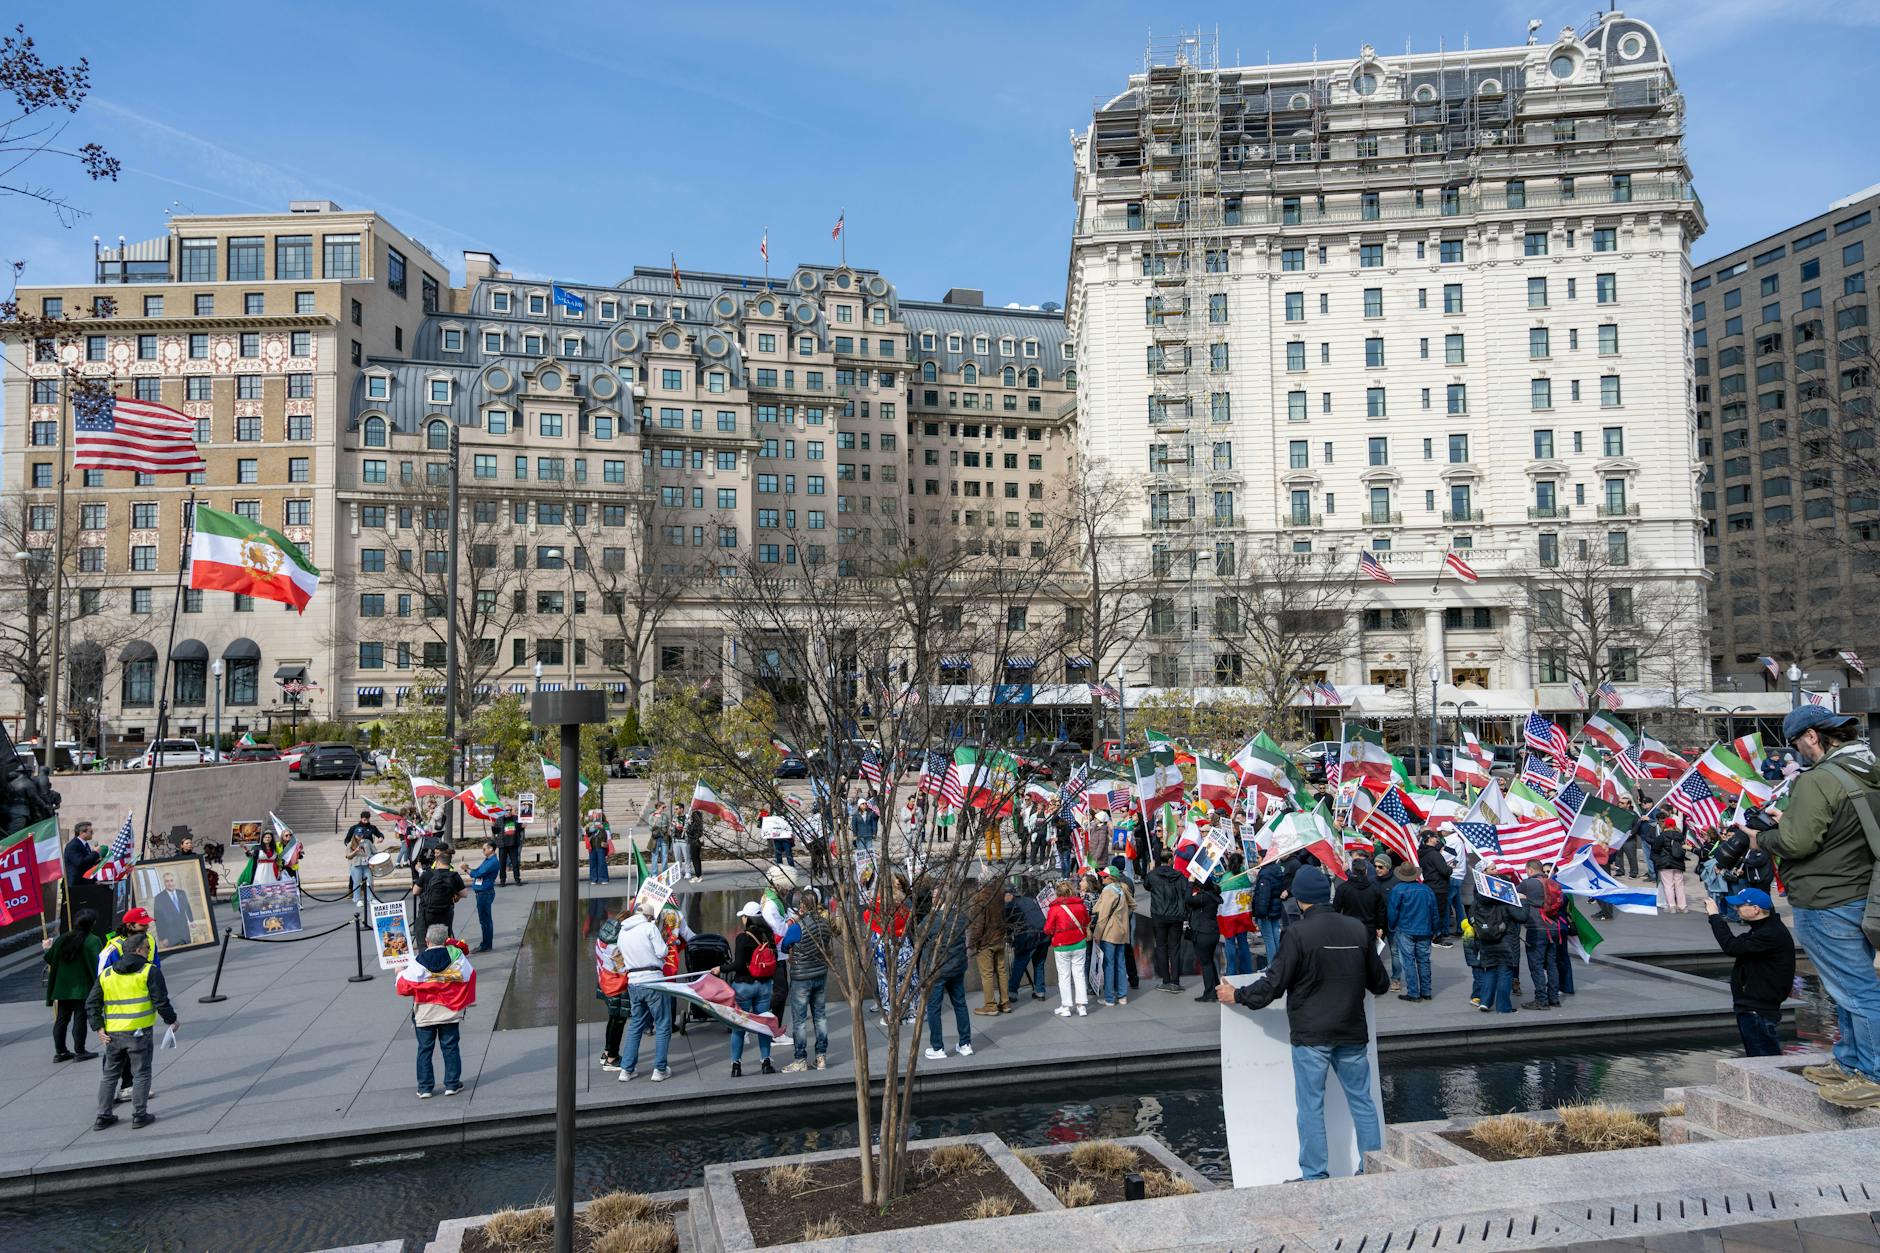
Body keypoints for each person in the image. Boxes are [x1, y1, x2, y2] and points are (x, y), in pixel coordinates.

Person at [1216, 864, 1388, 1181]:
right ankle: (1373, 1170)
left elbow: (1273, 984)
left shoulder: (1297, 932)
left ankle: (1315, 1176)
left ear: (1300, 900)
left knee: (1311, 1108)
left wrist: (1237, 995)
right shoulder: (1357, 929)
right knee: (1362, 1103)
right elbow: (1380, 984)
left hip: (1312, 1036)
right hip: (1351, 1031)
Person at [1752, 705, 1880, 1109]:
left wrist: (1764, 838)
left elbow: (1797, 843)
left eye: (1796, 743)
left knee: (1857, 990)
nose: (1798, 752)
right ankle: (1850, 1062)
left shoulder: (1819, 779)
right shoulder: (1866, 769)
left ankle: (1874, 1075)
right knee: (1846, 987)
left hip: (1826, 897)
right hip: (1856, 890)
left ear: (1812, 736)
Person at [87, 935, 176, 1130]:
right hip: (139, 1032)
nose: (149, 951)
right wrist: (172, 1020)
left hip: (112, 1034)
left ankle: (103, 1116)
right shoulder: (149, 971)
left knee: (110, 1075)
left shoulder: (107, 974)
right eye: (146, 948)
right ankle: (139, 1115)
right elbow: (161, 1001)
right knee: (141, 1073)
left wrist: (99, 1028)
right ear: (137, 950)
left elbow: (91, 1003)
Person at [1705, 887, 1796, 1058]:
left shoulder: (1769, 933)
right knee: (1760, 1058)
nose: (1736, 909)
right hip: (1753, 1006)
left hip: (1757, 1009)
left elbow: (1731, 946)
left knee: (1764, 1062)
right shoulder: (1764, 927)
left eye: (1740, 906)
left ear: (1755, 909)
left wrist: (1714, 917)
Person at [395, 924, 476, 1099]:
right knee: (451, 1048)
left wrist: (399, 973)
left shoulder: (417, 961)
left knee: (425, 1049)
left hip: (425, 1012)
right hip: (450, 1011)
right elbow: (469, 975)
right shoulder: (457, 957)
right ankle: (452, 1085)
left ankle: (425, 1088)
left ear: (427, 941)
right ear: (445, 940)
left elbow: (404, 988)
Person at [618, 900, 674, 1082]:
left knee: (636, 1025)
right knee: (663, 1023)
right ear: (649, 916)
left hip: (633, 982)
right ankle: (660, 1069)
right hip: (653, 981)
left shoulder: (623, 931)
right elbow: (662, 952)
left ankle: (626, 1070)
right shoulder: (649, 928)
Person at [784, 888, 835, 1072]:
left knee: (799, 1021)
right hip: (820, 974)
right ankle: (821, 1057)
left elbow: (784, 946)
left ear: (803, 906)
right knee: (820, 1017)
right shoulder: (824, 924)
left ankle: (800, 1059)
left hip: (801, 977)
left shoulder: (797, 927)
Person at [723, 903, 777, 1076]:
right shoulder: (768, 935)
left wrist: (721, 969)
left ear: (748, 918)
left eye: (743, 917)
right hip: (764, 985)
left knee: (739, 1026)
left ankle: (736, 1066)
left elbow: (738, 964)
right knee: (763, 1025)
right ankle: (766, 1063)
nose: (742, 919)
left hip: (744, 986)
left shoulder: (742, 938)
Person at [44, 909, 102, 1062]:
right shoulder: (93, 940)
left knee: (62, 1019)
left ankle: (60, 1052)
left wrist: (46, 947)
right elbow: (98, 965)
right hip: (82, 988)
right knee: (79, 1019)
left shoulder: (62, 939)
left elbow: (49, 958)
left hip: (63, 987)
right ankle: (80, 1051)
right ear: (92, 924)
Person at [922, 894, 973, 1060]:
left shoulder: (933, 919)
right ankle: (965, 1044)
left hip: (938, 969)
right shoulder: (960, 917)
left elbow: (918, 935)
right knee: (960, 1004)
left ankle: (938, 1047)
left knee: (934, 1008)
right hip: (957, 967)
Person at [1469, 874, 1523, 1014]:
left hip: (1486, 941)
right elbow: (1521, 917)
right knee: (1505, 973)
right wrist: (1523, 901)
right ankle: (1503, 1007)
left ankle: (1485, 1001)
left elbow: (1471, 918)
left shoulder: (1478, 900)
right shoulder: (1506, 901)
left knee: (1490, 971)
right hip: (1505, 942)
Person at [1387, 862, 1437, 1001]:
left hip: (1405, 929)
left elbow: (1393, 912)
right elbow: (1434, 912)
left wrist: (1392, 926)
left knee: (1408, 961)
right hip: (1424, 929)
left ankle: (1414, 992)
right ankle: (1426, 991)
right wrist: (1435, 929)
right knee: (1424, 961)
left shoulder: (1398, 890)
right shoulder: (1426, 890)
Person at [1043, 878, 1091, 1016]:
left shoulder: (1055, 909)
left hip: (1061, 945)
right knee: (1079, 974)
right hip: (1079, 943)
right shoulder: (1080, 905)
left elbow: (1047, 929)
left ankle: (1066, 1006)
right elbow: (1086, 921)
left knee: (1064, 976)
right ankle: (1081, 1006)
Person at [594, 901, 632, 1073]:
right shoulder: (615, 946)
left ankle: (607, 1052)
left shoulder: (603, 936)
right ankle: (612, 1058)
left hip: (604, 981)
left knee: (612, 1019)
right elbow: (622, 967)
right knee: (618, 1021)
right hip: (616, 986)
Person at [967, 876, 1010, 1016]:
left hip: (986, 941)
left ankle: (990, 1005)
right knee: (1002, 971)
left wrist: (973, 942)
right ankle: (1005, 1003)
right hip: (999, 938)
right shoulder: (999, 894)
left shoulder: (981, 898)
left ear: (980, 883)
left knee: (987, 974)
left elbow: (978, 924)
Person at [1146, 851, 1188, 994]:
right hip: (1175, 915)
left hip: (1159, 915)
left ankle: (1166, 980)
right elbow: (1185, 892)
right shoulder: (1179, 876)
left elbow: (1147, 886)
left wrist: (1151, 870)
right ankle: (1175, 982)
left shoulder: (1152, 875)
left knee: (1162, 947)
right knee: (1174, 948)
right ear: (1170, 860)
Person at [1518, 860, 1558, 1010]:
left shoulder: (1528, 884)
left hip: (1537, 928)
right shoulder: (1553, 883)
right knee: (1552, 964)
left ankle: (1541, 1000)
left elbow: (1510, 895)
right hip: (1554, 928)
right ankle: (1554, 997)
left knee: (1536, 965)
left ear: (1529, 870)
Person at [1094, 865, 1135, 1007]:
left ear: (1111, 877)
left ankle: (1110, 998)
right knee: (1121, 964)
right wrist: (1123, 916)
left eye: (1104, 876)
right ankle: (1122, 996)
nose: (1101, 878)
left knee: (1109, 965)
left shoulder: (1107, 891)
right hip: (1122, 932)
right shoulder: (1122, 888)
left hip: (1109, 933)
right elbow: (1133, 905)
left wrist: (1097, 934)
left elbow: (1103, 915)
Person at [1005, 881, 1049, 1002]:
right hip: (1044, 934)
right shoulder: (1029, 900)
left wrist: (1009, 937)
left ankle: (1012, 992)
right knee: (1039, 963)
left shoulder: (1011, 905)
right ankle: (1040, 991)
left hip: (1029, 936)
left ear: (1009, 894)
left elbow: (1008, 925)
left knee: (1019, 963)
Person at [1186, 872, 1222, 1004]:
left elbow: (1187, 900)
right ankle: (1216, 988)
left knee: (1206, 963)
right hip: (1212, 932)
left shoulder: (1203, 898)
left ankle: (1210, 993)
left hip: (1202, 933)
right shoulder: (1212, 895)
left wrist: (1190, 883)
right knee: (1210, 962)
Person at [1218, 852, 1256, 976]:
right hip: (1242, 914)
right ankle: (1247, 970)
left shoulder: (1225, 878)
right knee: (1243, 943)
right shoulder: (1246, 876)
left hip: (1228, 917)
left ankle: (1231, 972)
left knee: (1229, 943)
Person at [416, 847, 465, 940]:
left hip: (430, 910)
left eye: (437, 853)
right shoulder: (453, 873)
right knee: (445, 936)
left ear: (439, 862)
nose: (435, 855)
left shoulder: (431, 872)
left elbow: (416, 891)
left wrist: (420, 871)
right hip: (446, 909)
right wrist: (456, 898)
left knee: (429, 935)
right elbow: (464, 893)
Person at [1417, 832, 1454, 945]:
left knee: (1431, 913)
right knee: (1439, 913)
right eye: (1435, 837)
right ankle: (1436, 937)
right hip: (1438, 886)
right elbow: (1444, 871)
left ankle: (1432, 936)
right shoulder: (1434, 854)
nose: (1436, 839)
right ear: (1429, 839)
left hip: (1429, 885)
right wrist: (1450, 868)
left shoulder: (1423, 853)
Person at [464, 839, 500, 952]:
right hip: (482, 892)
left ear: (491, 849)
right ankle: (486, 943)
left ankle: (486, 944)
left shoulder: (492, 862)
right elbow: (478, 871)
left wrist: (466, 869)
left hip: (484, 893)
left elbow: (478, 873)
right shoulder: (488, 860)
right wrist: (468, 869)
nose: (483, 851)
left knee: (485, 921)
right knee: (485, 920)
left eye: (484, 849)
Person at [1253, 855, 1287, 971]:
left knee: (1269, 938)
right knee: (1275, 936)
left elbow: (1264, 895)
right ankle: (1279, 964)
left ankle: (1272, 965)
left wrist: (1261, 913)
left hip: (1267, 910)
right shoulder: (1277, 869)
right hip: (1275, 908)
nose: (1257, 859)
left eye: (1258, 857)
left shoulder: (1265, 874)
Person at [1650, 817, 1690, 913]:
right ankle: (1682, 906)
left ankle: (1671, 906)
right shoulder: (1680, 837)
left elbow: (1655, 851)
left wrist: (1658, 861)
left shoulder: (1661, 837)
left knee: (1668, 885)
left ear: (1665, 825)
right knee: (1679, 885)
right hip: (1678, 863)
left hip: (1665, 863)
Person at [345, 811, 381, 910]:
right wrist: (355, 851)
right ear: (355, 835)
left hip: (366, 865)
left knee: (370, 881)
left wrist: (377, 857)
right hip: (356, 865)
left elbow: (374, 852)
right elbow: (348, 856)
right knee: (356, 882)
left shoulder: (367, 842)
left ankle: (371, 898)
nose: (360, 836)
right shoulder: (351, 844)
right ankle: (357, 899)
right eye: (358, 835)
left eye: (361, 835)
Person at [149, 871, 194, 949]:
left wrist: (191, 920)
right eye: (167, 881)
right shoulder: (159, 898)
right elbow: (158, 920)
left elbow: (187, 907)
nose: (170, 883)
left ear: (174, 881)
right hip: (171, 934)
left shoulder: (182, 893)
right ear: (164, 883)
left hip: (185, 932)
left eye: (171, 880)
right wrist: (163, 938)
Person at [493, 807, 524, 885]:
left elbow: (519, 829)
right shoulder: (499, 819)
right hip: (503, 845)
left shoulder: (516, 818)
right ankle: (502, 880)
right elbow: (495, 832)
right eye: (507, 810)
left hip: (513, 844)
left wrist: (522, 827)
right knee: (502, 863)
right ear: (504, 811)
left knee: (515, 863)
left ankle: (517, 879)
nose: (509, 811)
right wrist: (493, 826)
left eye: (510, 810)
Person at [583, 810, 613, 884]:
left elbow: (608, 835)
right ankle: (593, 878)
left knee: (601, 862)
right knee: (593, 862)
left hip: (601, 845)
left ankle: (603, 878)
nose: (595, 816)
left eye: (597, 815)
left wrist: (602, 828)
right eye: (594, 815)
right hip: (592, 845)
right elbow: (588, 834)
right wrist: (588, 828)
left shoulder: (605, 824)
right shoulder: (590, 824)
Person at [647, 801, 672, 877]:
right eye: (663, 807)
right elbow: (650, 828)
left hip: (664, 837)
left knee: (665, 855)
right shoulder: (652, 815)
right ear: (658, 807)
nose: (664, 809)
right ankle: (654, 873)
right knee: (655, 855)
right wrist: (655, 819)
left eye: (664, 807)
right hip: (655, 838)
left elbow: (668, 825)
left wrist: (668, 831)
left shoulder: (665, 816)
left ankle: (664, 872)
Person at [685, 806, 706, 883]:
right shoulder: (700, 824)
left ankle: (698, 876)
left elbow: (690, 832)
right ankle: (698, 875)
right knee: (697, 859)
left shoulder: (695, 824)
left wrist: (687, 828)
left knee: (695, 859)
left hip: (694, 843)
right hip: (698, 843)